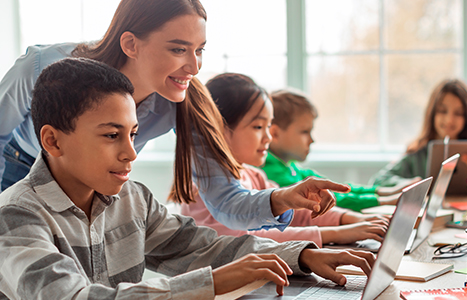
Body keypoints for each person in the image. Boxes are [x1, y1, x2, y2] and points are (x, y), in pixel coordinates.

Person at [0, 57, 375, 299]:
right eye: (111, 136)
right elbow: (74, 297)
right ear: (52, 140)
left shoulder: (133, 199)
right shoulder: (15, 216)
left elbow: (205, 248)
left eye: (133, 134)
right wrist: (213, 282)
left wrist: (305, 256)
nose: (131, 152)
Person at [0, 0, 349, 231]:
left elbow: (224, 199)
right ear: (131, 44)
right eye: (178, 49)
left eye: (199, 50)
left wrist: (283, 197)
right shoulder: (42, 65)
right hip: (19, 170)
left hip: (91, 184)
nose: (194, 66)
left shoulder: (181, 101)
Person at [178, 73, 389, 247]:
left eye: (268, 127)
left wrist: (356, 221)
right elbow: (248, 241)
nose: (269, 137)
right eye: (258, 127)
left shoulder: (255, 176)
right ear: (220, 129)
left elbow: (297, 213)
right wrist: (336, 233)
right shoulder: (204, 189)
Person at [261, 89, 412, 212]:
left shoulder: (290, 167)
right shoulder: (269, 171)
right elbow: (328, 200)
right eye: (305, 132)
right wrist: (385, 200)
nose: (312, 140)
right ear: (275, 134)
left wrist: (383, 191)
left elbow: (336, 187)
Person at [370, 79, 467, 187]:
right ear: (432, 113)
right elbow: (378, 181)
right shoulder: (417, 153)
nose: (449, 120)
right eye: (442, 111)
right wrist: (411, 185)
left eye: (458, 113)